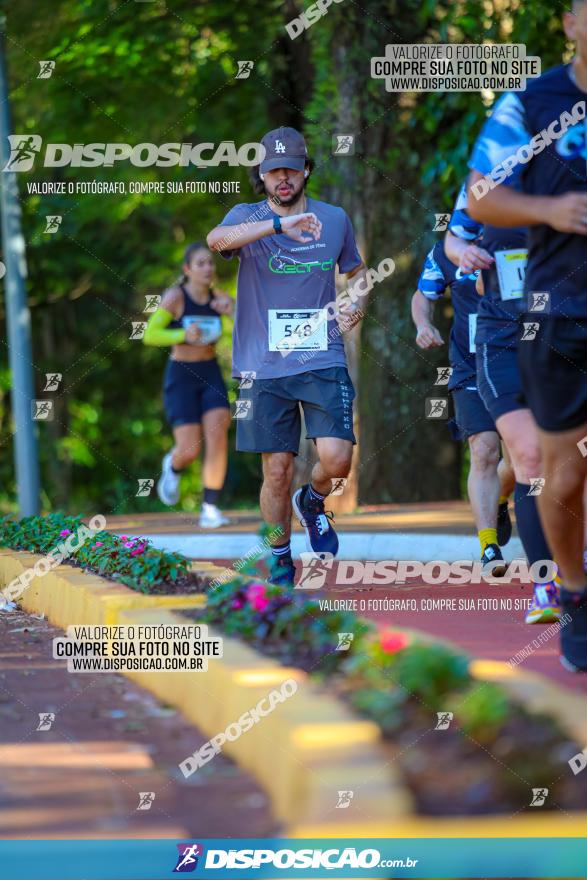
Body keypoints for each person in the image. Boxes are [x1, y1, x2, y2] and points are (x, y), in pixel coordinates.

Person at [466, 2, 587, 662]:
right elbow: (481, 195)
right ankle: (571, 593)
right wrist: (550, 209)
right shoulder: (529, 103)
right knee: (559, 477)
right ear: (569, 22)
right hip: (558, 313)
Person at [206, 126, 366, 586]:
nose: (283, 179)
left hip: (322, 355)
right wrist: (280, 224)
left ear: (306, 171)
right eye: (274, 170)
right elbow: (217, 240)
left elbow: (357, 271)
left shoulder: (334, 219)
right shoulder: (247, 215)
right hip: (262, 363)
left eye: (291, 170)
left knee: (337, 460)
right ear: (261, 173)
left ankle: (313, 500)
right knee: (275, 469)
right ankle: (280, 554)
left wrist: (356, 301)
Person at [445, 184, 558, 624]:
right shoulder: (492, 172)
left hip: (567, 336)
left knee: (569, 462)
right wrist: (461, 253)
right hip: (502, 341)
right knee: (525, 454)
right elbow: (452, 238)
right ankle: (545, 584)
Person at [411, 239, 514, 574]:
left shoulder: (521, 235)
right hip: (469, 366)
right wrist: (424, 325)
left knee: (517, 459)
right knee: (484, 449)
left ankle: (499, 499)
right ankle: (488, 547)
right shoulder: (447, 249)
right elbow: (423, 294)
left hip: (517, 362)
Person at [143, 242, 233, 528]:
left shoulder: (219, 298)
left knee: (219, 432)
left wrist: (232, 311)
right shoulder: (176, 298)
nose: (208, 268)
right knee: (190, 450)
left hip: (210, 372)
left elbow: (250, 326)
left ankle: (210, 507)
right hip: (181, 376)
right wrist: (182, 333)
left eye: (210, 263)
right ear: (187, 269)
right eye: (201, 263)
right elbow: (150, 335)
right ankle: (173, 465)